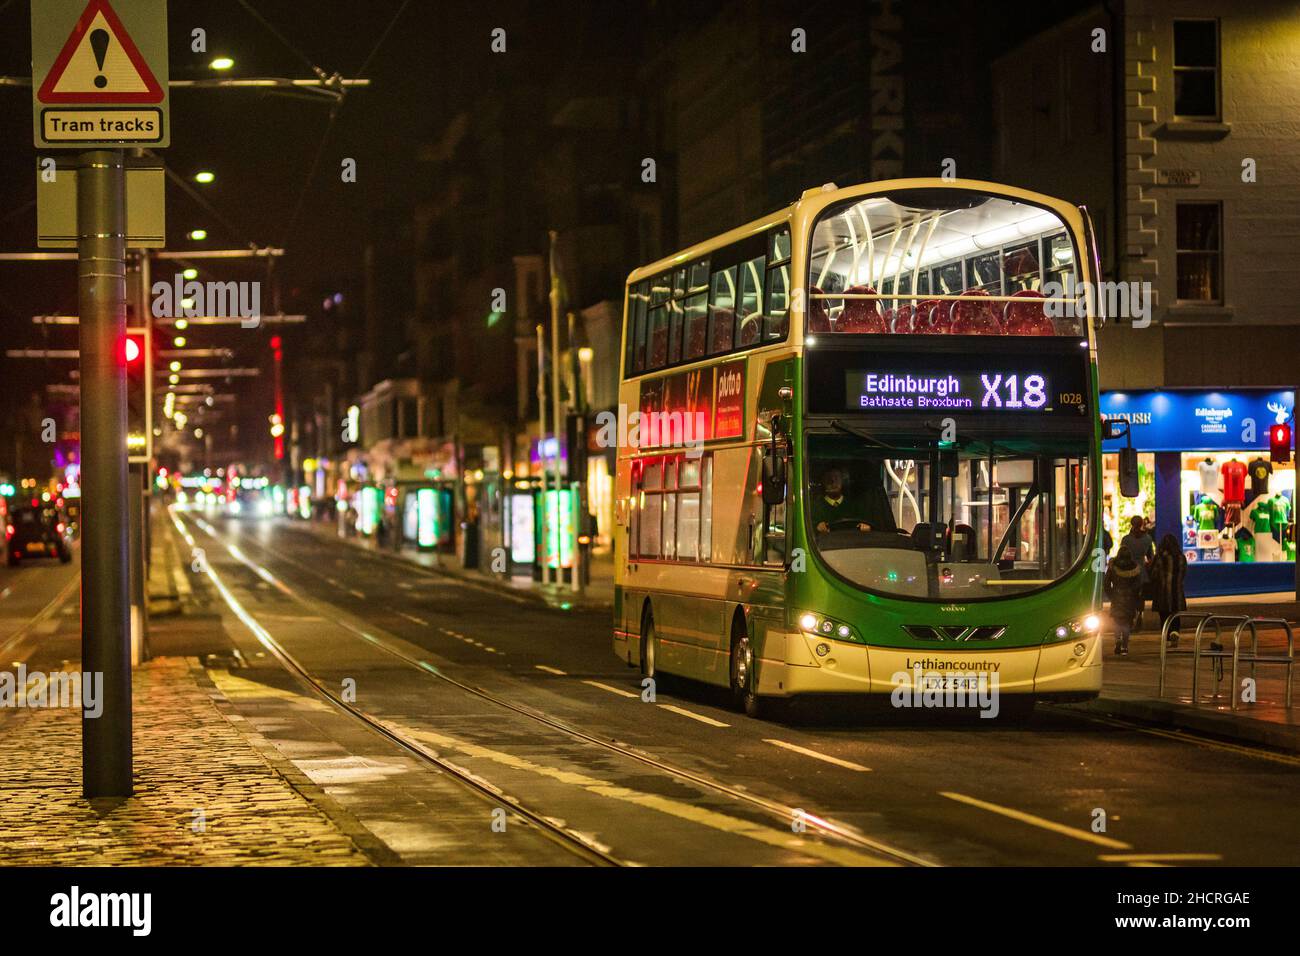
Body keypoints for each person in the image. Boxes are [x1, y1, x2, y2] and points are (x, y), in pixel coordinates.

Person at [1104, 548, 1143, 657]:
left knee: (1117, 621)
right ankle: (1125, 647)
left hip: (1116, 597)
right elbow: (1138, 585)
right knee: (1126, 623)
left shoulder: (1113, 567)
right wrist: (1134, 595)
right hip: (1130, 599)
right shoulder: (1134, 567)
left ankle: (1118, 639)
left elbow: (1106, 583)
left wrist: (1112, 595)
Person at [1150, 534, 1188, 645]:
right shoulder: (1181, 557)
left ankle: (1166, 637)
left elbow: (1153, 574)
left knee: (1164, 616)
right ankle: (1175, 633)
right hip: (1177, 592)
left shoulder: (1159, 557)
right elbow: (1184, 572)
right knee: (1175, 615)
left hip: (1162, 592)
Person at [1118, 515, 1154, 629]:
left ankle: (1130, 617)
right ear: (1142, 524)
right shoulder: (1147, 539)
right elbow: (1150, 557)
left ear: (1131, 524)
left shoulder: (1126, 539)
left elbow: (1121, 555)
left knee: (1129, 596)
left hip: (1128, 571)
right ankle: (1140, 614)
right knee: (1140, 596)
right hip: (1142, 571)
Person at [811, 467, 871, 534]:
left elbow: (866, 524)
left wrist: (865, 527)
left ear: (842, 481)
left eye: (837, 477)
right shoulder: (814, 507)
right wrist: (817, 527)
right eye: (829, 478)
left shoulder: (854, 505)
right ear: (823, 482)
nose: (833, 482)